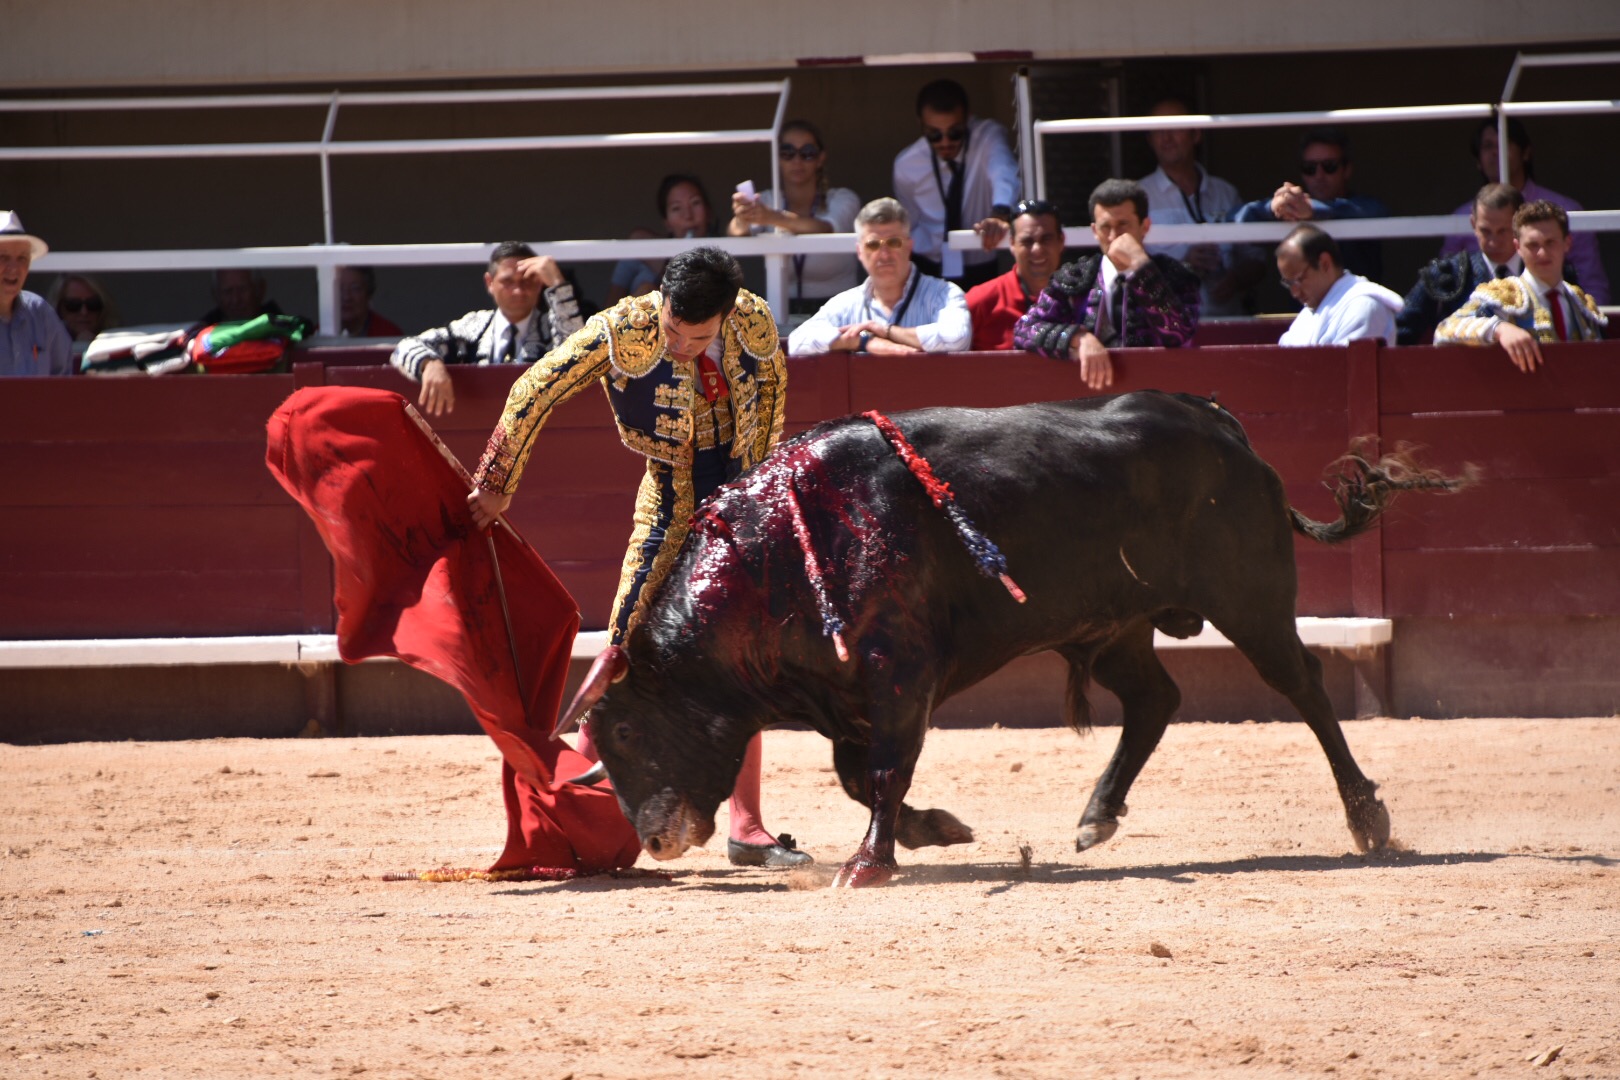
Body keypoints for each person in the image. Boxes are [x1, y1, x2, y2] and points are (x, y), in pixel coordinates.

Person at [466, 246, 808, 868]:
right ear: (664, 301)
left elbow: (773, 410)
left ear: (726, 315)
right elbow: (534, 388)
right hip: (670, 503)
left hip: (741, 507)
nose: (679, 345)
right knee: (622, 646)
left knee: (744, 658)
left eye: (696, 337)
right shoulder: (624, 329)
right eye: (673, 329)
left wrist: (765, 506)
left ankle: (747, 828)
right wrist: (496, 480)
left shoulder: (753, 320)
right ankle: (584, 811)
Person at [1013, 179, 1201, 389]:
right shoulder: (1075, 278)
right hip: (1091, 401)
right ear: (1094, 230)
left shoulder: (1175, 276)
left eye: (1123, 225)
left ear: (1145, 226)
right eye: (1105, 227)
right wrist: (1077, 337)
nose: (1113, 237)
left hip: (1157, 397)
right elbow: (1024, 330)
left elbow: (1179, 333)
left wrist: (1141, 267)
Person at [391, 241, 585, 417]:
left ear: (540, 283)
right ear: (490, 283)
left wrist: (558, 285)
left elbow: (582, 359)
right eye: (508, 282)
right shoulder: (473, 327)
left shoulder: (552, 327)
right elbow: (404, 347)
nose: (518, 290)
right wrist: (429, 363)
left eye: (527, 281)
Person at [1436, 118, 1609, 305]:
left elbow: (1592, 285)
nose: (1496, 152)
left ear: (1525, 152)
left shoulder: (1565, 210)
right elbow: (1444, 288)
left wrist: (1586, 319)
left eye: (1505, 143)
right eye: (1488, 146)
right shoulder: (1460, 217)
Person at [1435, 200, 1606, 371]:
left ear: (1567, 243)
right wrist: (1499, 328)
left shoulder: (1579, 302)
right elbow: (1445, 329)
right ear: (1517, 247)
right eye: (1533, 245)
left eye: (1550, 243)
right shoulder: (1505, 295)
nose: (1542, 253)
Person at [787, 198, 971, 356]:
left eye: (893, 242)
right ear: (859, 251)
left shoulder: (944, 294)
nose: (884, 255)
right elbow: (797, 342)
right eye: (873, 245)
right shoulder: (845, 303)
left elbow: (957, 338)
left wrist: (887, 331)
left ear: (909, 246)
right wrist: (862, 341)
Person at [728, 119, 861, 325]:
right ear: (777, 158)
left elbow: (824, 228)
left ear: (820, 158)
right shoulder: (768, 199)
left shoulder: (843, 198)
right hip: (782, 310)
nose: (797, 160)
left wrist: (772, 217)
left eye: (807, 152)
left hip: (840, 311)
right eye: (787, 152)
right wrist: (742, 216)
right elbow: (735, 234)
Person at [891, 78, 1021, 289]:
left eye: (955, 132)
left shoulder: (986, 137)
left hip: (980, 261)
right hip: (928, 263)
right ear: (921, 125)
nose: (945, 142)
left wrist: (1000, 214)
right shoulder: (906, 165)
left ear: (967, 120)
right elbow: (909, 223)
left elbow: (1005, 172)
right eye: (934, 134)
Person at [1138, 98, 1256, 317]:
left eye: (1176, 127)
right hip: (1168, 326)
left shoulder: (1226, 193)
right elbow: (1127, 268)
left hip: (1228, 322)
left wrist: (1236, 279)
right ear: (1150, 140)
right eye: (1158, 130)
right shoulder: (1139, 196)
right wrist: (1182, 266)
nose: (1166, 137)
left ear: (1196, 134)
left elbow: (1256, 259)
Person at [1233, 126, 1390, 282]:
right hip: (1304, 300)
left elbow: (1377, 212)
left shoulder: (1364, 207)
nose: (1319, 175)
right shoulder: (1290, 208)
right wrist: (1274, 207)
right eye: (1310, 168)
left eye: (1329, 166)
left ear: (1347, 169)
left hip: (1354, 297)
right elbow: (1233, 218)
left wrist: (1312, 209)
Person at [1397, 183, 1534, 345]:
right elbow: (1400, 332)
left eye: (1503, 231)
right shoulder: (1447, 275)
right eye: (1485, 231)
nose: (1493, 242)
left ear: (1519, 225)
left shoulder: (1541, 270)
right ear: (1473, 224)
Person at [1274, 225, 1402, 347]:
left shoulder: (1363, 307)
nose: (1295, 293)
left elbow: (1349, 362)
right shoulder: (1306, 315)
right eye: (1289, 283)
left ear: (1324, 264)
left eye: (1299, 279)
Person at [964, 199, 1065, 351]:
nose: (1037, 249)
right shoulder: (982, 300)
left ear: (1061, 241)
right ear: (1012, 244)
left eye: (1046, 239)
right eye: (1027, 241)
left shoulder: (1080, 300)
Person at [608, 174, 719, 304]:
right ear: (667, 223)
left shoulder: (724, 258)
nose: (688, 215)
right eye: (676, 208)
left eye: (695, 203)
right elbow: (610, 306)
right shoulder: (644, 254)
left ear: (708, 211)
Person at [0, 211, 74, 377]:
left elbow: (63, 378)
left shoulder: (40, 313)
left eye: (22, 258)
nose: (14, 268)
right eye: (3, 257)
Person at [45, 273, 117, 354]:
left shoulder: (118, 345)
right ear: (59, 309)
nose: (84, 312)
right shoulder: (44, 349)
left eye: (93, 304)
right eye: (73, 305)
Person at [198, 267, 284, 325]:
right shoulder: (203, 334)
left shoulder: (282, 329)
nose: (235, 299)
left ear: (260, 289)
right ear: (215, 294)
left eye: (243, 289)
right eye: (228, 291)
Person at [336, 266, 404, 338]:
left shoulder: (390, 335)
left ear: (368, 293)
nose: (346, 297)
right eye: (338, 288)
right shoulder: (326, 331)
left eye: (355, 288)